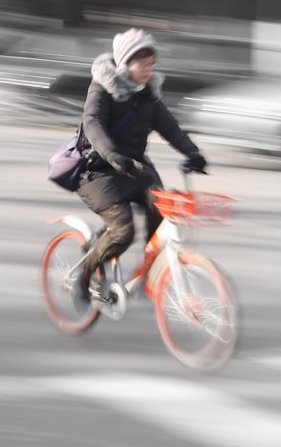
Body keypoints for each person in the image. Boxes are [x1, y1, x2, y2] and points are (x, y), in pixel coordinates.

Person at [75, 28, 207, 298]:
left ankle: (151, 273)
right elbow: (93, 123)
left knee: (161, 210)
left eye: (152, 63)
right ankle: (85, 274)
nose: (149, 68)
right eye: (142, 62)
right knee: (123, 231)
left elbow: (171, 128)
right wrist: (112, 154)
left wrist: (192, 153)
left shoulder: (148, 96)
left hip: (133, 167)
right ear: (125, 61)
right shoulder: (102, 88)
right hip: (98, 169)